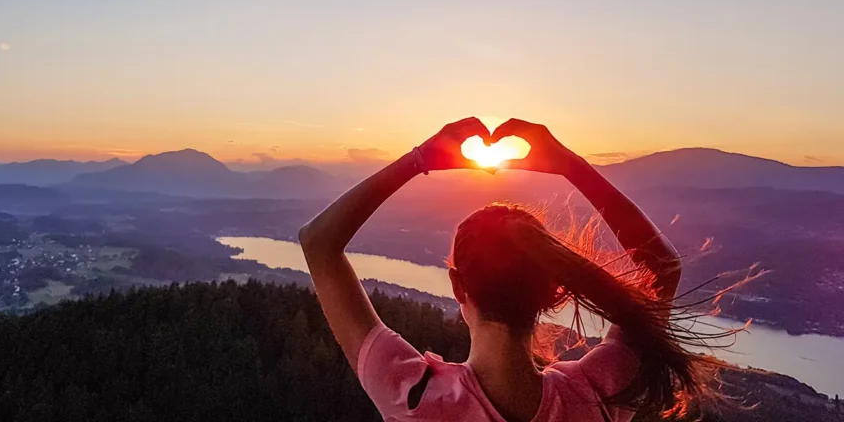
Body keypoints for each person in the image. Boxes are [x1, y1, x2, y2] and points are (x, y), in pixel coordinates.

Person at [299, 117, 711, 421]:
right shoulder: (596, 397)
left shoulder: (412, 399)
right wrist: (570, 166)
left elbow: (318, 242)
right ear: (554, 291)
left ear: (458, 286)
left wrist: (419, 159)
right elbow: (662, 269)